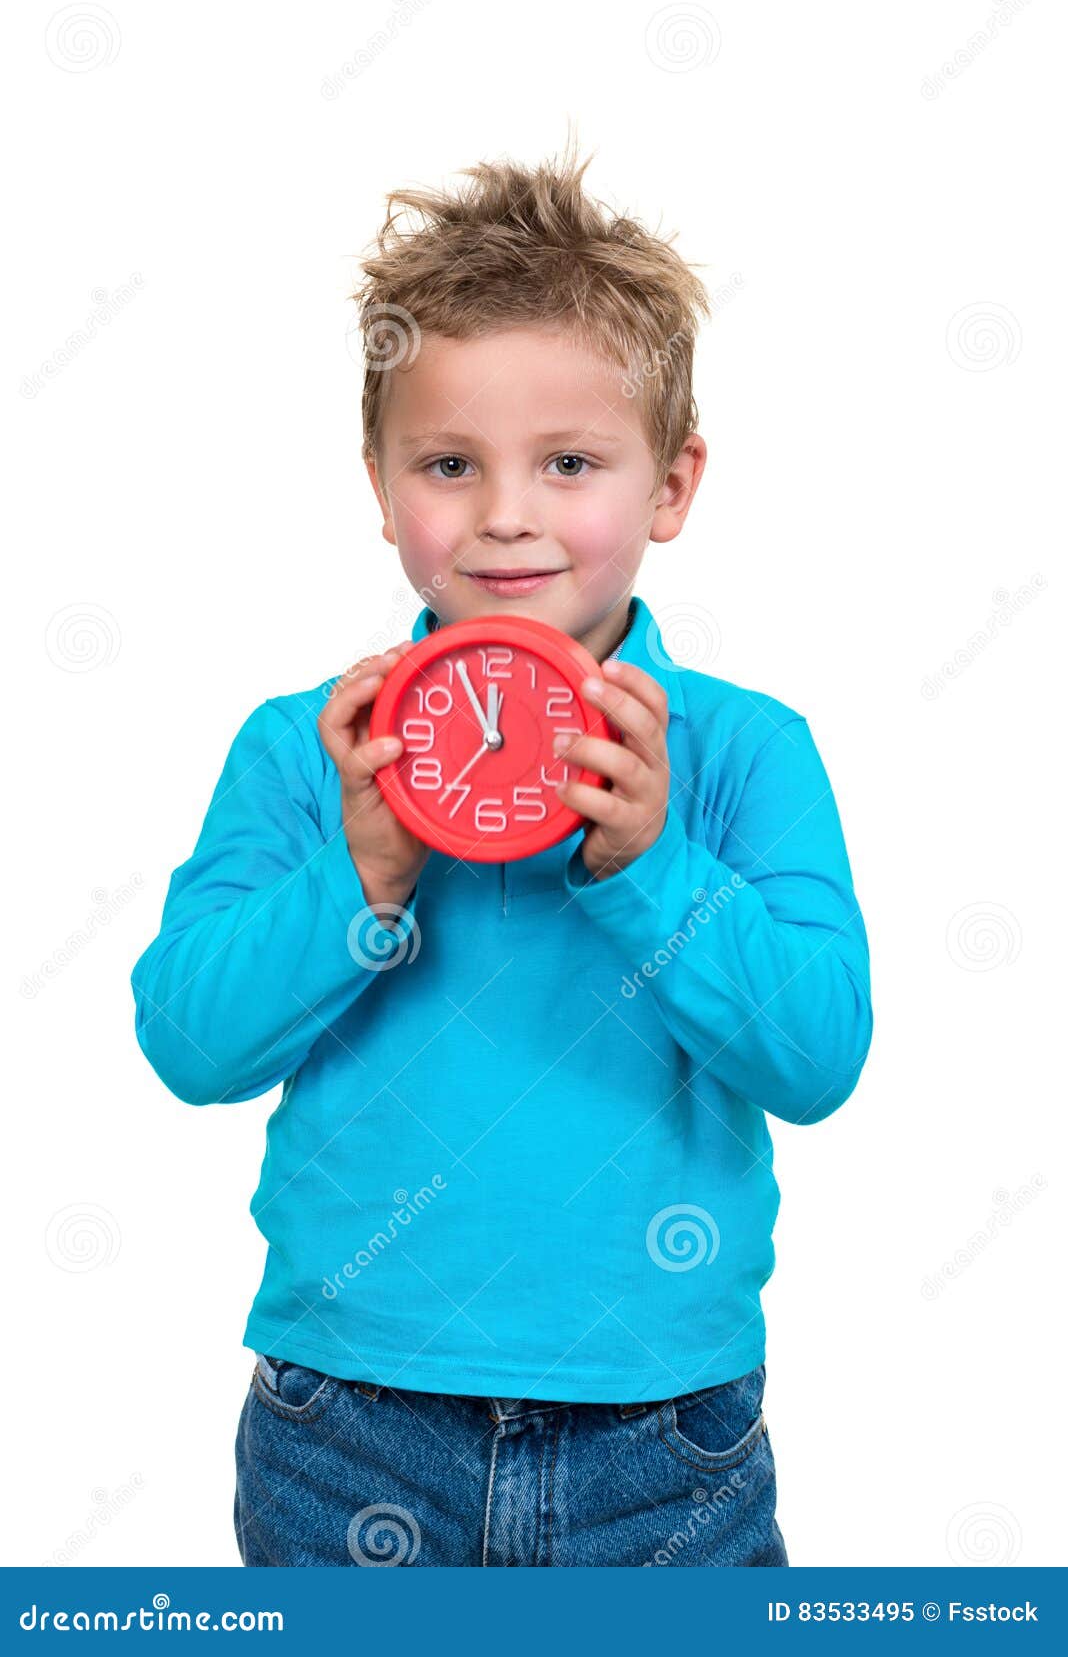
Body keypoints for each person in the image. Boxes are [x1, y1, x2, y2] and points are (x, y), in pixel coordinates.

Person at [130, 139, 873, 1567]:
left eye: (572, 462)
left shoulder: (742, 753)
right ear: (380, 480)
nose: (509, 513)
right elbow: (189, 1041)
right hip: (348, 1419)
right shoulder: (310, 746)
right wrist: (361, 877)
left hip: (664, 1432)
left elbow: (820, 1056)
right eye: (451, 464)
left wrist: (651, 864)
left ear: (672, 484)